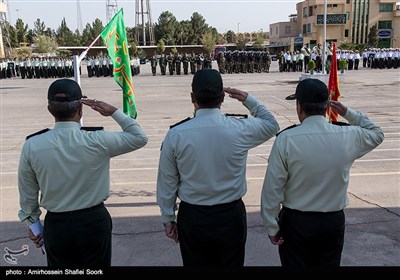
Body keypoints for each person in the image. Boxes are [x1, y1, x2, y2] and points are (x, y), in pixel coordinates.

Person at [18, 78, 148, 267]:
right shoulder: (98, 140)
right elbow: (139, 137)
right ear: (81, 109)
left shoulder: (32, 145)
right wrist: (113, 112)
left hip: (57, 224)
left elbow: (27, 193)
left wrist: (33, 225)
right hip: (93, 221)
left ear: (50, 109)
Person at [156, 69, 280, 266]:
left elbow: (167, 181)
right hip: (230, 216)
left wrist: (168, 217)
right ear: (223, 97)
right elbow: (272, 125)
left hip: (193, 217)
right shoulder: (239, 128)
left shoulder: (176, 135)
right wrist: (249, 100)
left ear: (192, 97)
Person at [260, 79, 384, 267]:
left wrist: (271, 225)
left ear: (298, 106)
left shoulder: (286, 139)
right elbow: (376, 133)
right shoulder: (346, 135)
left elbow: (272, 188)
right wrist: (348, 113)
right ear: (327, 106)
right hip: (331, 222)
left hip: (297, 222)